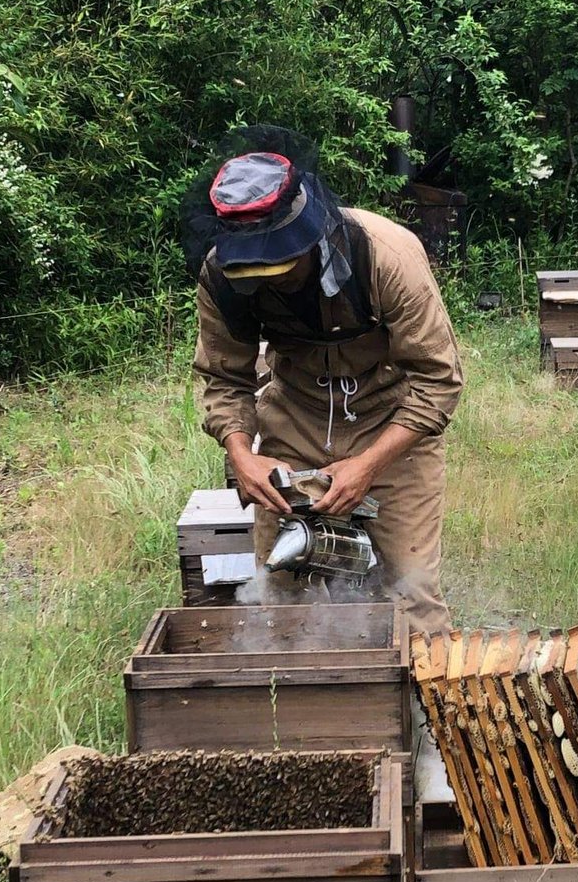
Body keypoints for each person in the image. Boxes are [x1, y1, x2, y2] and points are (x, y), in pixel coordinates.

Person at [183, 126, 463, 634]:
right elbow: (225, 380)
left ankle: (418, 709)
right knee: (283, 587)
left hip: (391, 424)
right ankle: (304, 707)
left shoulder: (386, 255)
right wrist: (242, 455)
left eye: (276, 268)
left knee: (413, 595)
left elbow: (439, 382)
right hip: (294, 421)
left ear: (306, 239)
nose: (264, 282)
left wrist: (368, 465)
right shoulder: (219, 273)